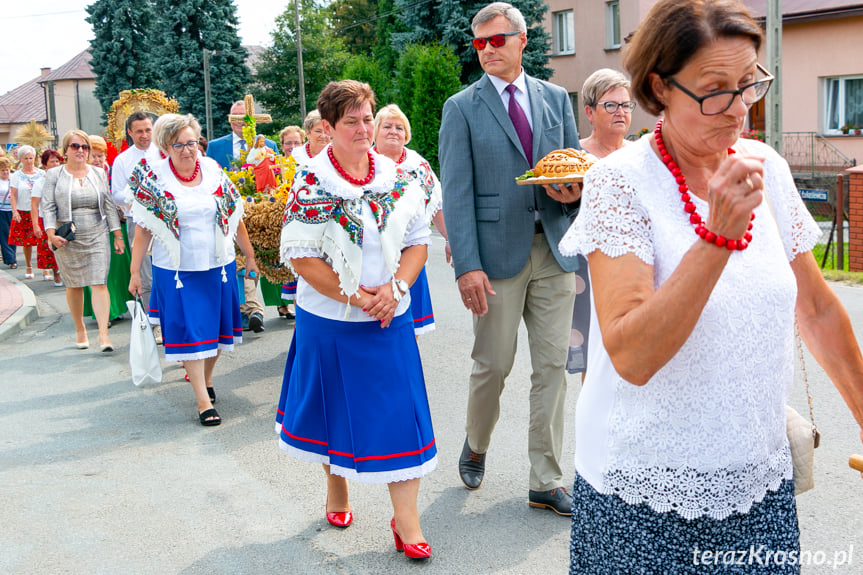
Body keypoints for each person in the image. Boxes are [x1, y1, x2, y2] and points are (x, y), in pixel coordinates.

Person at [557, 1, 863, 572]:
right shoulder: (619, 183)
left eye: (748, 84)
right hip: (645, 493)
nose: (739, 109)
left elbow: (817, 310)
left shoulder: (765, 167)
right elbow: (631, 354)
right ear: (660, 88)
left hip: (758, 479)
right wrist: (716, 239)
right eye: (715, 89)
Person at [276, 80, 436, 559]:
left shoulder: (396, 174)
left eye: (368, 118)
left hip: (392, 313)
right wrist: (358, 298)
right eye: (352, 122)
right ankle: (337, 488)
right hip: (331, 319)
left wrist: (397, 288)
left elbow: (418, 239)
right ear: (327, 128)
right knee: (333, 411)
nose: (365, 128)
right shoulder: (311, 181)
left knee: (400, 415)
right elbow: (301, 257)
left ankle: (407, 521)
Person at [439, 1, 581, 516]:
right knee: (494, 365)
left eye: (496, 40)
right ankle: (476, 443)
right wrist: (466, 265)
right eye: (479, 43)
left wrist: (574, 194)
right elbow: (456, 193)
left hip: (555, 249)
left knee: (552, 368)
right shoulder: (462, 107)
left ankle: (545, 478)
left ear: (521, 40)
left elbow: (573, 168)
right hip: (495, 260)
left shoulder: (553, 99)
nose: (487, 50)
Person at [127, 113, 258, 427]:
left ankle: (206, 379)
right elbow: (144, 229)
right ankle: (202, 400)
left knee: (215, 332)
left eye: (191, 143)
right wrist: (134, 272)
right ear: (166, 147)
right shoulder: (154, 177)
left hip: (218, 265)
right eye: (179, 145)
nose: (187, 150)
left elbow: (233, 215)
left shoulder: (212, 169)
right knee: (190, 332)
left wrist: (249, 256)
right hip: (177, 270)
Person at [566, 69, 635, 376]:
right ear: (589, 112)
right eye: (611, 105)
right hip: (587, 270)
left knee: (633, 352)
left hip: (634, 267)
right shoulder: (573, 157)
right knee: (594, 360)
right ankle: (592, 423)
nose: (620, 111)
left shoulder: (640, 157)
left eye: (626, 104)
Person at [42, 130, 123, 351]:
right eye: (76, 146)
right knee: (74, 285)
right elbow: (47, 206)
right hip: (67, 237)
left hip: (96, 233)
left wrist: (117, 234)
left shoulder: (98, 173)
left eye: (85, 147)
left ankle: (104, 335)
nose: (81, 151)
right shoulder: (54, 175)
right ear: (65, 150)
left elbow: (108, 204)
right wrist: (50, 233)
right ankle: (80, 329)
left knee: (99, 282)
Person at [373, 104, 446, 335]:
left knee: (409, 328)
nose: (394, 131)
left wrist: (450, 239)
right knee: (375, 322)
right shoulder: (362, 161)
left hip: (409, 255)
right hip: (372, 254)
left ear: (406, 135)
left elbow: (436, 206)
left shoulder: (418, 164)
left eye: (399, 127)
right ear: (375, 132)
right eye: (387, 126)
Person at [207, 100, 276, 333]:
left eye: (245, 117)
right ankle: (251, 309)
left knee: (254, 257)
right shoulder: (216, 147)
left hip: (261, 212)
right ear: (229, 119)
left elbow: (278, 176)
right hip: (228, 211)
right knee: (238, 260)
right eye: (236, 117)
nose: (241, 122)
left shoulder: (270, 145)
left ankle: (249, 309)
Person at [112, 111, 162, 340]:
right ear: (130, 133)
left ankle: (170, 316)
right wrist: (141, 194)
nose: (145, 135)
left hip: (165, 219)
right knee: (145, 272)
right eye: (139, 131)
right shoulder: (123, 160)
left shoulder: (163, 153)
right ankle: (155, 321)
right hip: (138, 220)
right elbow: (117, 194)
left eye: (148, 130)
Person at [82, 135, 132, 323]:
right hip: (93, 228)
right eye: (93, 156)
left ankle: (117, 307)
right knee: (99, 271)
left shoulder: (111, 171)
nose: (97, 160)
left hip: (116, 226)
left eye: (100, 155)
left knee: (118, 268)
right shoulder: (83, 175)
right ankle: (105, 312)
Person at [207, 100, 279, 172]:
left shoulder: (270, 146)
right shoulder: (214, 147)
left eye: (243, 116)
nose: (239, 121)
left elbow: (278, 173)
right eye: (234, 116)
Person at [8, 145, 43, 279]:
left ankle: (44, 267)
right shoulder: (17, 175)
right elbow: (13, 194)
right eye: (26, 158)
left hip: (39, 211)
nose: (29, 161)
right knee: (27, 242)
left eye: (31, 158)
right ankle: (29, 266)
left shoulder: (41, 173)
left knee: (41, 240)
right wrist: (15, 211)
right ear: (21, 159)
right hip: (24, 211)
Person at [30, 149, 63, 285]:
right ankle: (56, 273)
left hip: (63, 218)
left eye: (57, 161)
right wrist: (36, 225)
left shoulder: (65, 178)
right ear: (44, 164)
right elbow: (34, 205)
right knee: (52, 249)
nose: (55, 164)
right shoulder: (40, 183)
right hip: (47, 219)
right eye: (51, 162)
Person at [0, 157, 15, 268]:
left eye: (7, 169)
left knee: (13, 235)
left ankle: (11, 257)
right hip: (1, 211)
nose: (5, 172)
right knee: (4, 235)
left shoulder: (14, 179)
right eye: (2, 170)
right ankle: (11, 260)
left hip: (13, 210)